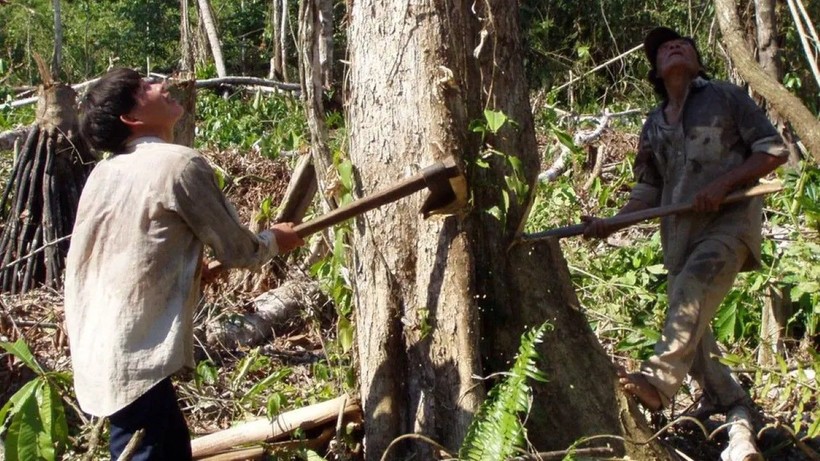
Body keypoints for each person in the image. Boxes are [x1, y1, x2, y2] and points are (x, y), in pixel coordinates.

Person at [64, 68, 304, 460]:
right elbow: (239, 250)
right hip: (136, 358)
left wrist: (189, 272)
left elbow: (132, 252)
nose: (161, 85)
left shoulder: (103, 174)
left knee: (163, 445)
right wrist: (276, 240)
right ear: (132, 119)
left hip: (101, 347)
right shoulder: (179, 164)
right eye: (145, 88)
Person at [582, 27, 787, 412]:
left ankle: (658, 384)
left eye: (682, 44)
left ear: (696, 62)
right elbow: (647, 191)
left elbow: (773, 152)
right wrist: (610, 223)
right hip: (679, 237)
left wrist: (723, 185)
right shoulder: (653, 125)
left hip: (730, 225)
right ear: (657, 73)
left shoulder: (725, 97)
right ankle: (733, 405)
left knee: (692, 289)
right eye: (663, 50)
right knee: (694, 334)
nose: (674, 47)